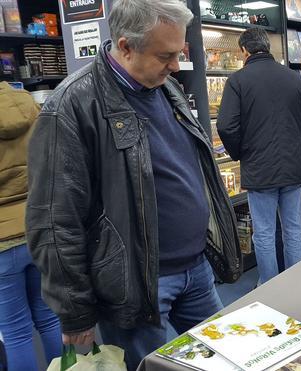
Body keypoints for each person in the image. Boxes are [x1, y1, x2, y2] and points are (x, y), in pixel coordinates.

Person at [26, 1, 241, 369]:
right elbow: (54, 220)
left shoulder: (164, 87)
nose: (175, 66)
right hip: (137, 286)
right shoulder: (72, 107)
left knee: (228, 361)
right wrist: (75, 312)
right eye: (165, 56)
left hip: (196, 268)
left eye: (179, 54)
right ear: (125, 46)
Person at [218, 28, 301, 284]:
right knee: (294, 229)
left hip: (259, 170)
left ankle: (270, 285)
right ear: (267, 47)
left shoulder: (237, 81)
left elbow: (226, 126)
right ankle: (296, 282)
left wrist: (240, 153)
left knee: (264, 233)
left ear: (244, 51)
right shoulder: (295, 79)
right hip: (293, 168)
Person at [0, 82, 62, 370]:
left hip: (2, 242)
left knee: (15, 331)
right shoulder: (25, 101)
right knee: (49, 318)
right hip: (38, 227)